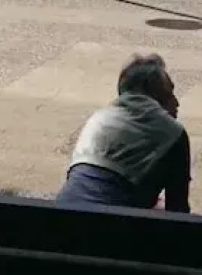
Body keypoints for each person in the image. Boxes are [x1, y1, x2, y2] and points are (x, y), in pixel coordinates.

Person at [56, 53, 190, 213]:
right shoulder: (174, 133)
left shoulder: (99, 118)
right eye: (169, 95)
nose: (177, 102)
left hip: (61, 212)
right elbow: (178, 211)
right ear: (157, 97)